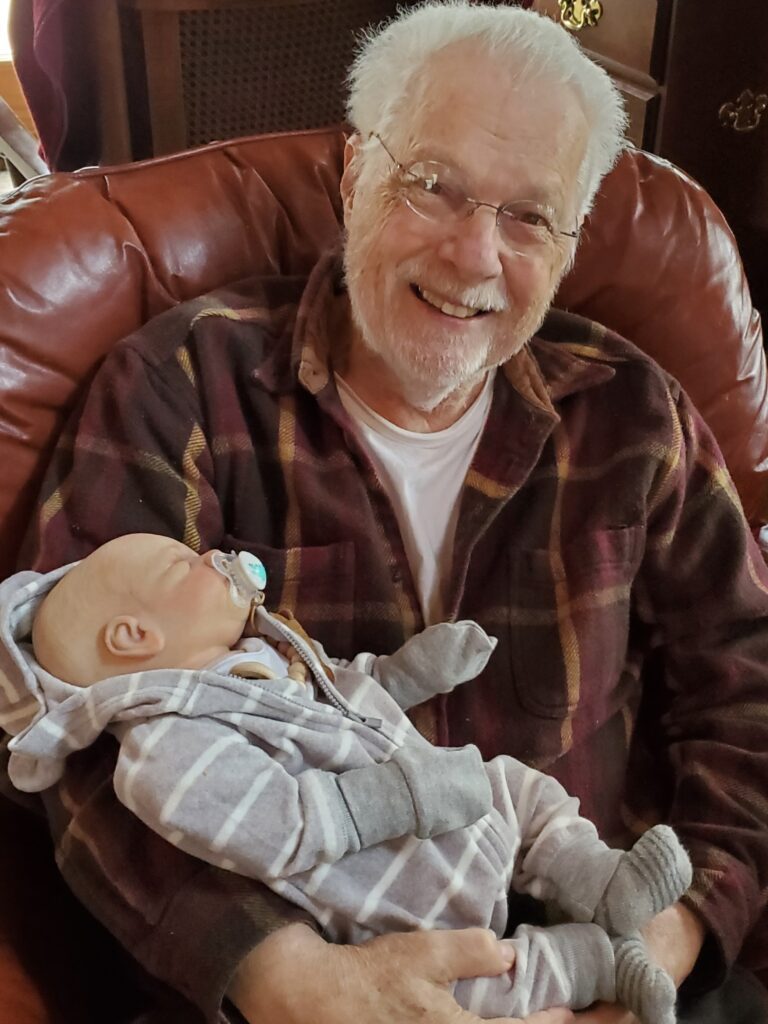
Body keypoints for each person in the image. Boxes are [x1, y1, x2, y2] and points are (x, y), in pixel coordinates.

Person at [12, 3, 768, 1023]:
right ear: (356, 172)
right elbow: (80, 742)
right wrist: (287, 977)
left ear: (573, 239)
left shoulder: (637, 415)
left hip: (609, 943)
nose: (474, 253)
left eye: (529, 216)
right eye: (433, 184)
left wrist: (668, 941)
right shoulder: (182, 385)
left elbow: (749, 692)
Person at [2, 533, 693, 1022]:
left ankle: (603, 880)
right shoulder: (164, 751)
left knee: (520, 787)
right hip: (403, 900)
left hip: (458, 804)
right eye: (186, 562)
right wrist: (402, 797)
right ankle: (597, 963)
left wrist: (410, 672)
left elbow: (338, 690)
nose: (217, 554)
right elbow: (282, 827)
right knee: (481, 981)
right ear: (133, 638)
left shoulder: (255, 653)